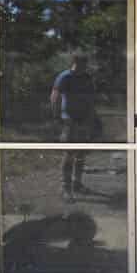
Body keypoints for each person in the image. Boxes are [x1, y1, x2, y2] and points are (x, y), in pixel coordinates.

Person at [50, 55, 97, 201]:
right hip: (69, 120)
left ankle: (78, 184)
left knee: (81, 154)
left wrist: (91, 117)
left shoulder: (87, 77)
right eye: (81, 63)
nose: (83, 66)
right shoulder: (64, 77)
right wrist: (56, 116)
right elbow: (55, 97)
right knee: (69, 154)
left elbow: (91, 97)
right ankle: (65, 188)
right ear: (74, 63)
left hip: (85, 120)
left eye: (85, 63)